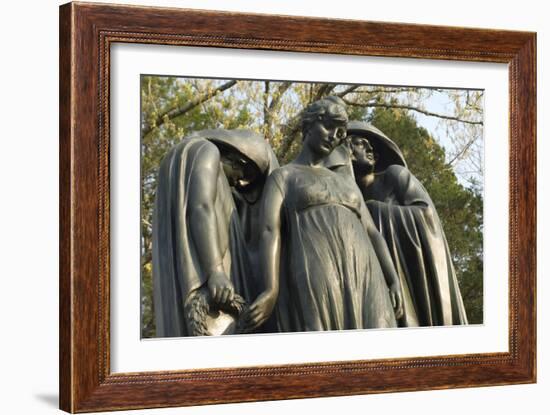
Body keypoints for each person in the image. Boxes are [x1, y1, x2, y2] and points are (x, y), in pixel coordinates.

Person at [242, 97, 403, 333]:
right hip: (317, 267)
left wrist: (392, 278)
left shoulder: (347, 183)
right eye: (328, 126)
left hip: (367, 272)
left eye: (339, 133)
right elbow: (269, 231)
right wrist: (271, 289)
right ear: (308, 125)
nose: (333, 136)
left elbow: (372, 233)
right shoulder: (284, 176)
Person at [152, 129, 277, 337]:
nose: (239, 183)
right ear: (238, 159)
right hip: (211, 289)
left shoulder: (177, 158)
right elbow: (201, 207)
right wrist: (216, 271)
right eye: (243, 175)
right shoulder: (207, 151)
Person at [347, 120, 468, 326]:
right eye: (360, 143)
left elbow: (427, 216)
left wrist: (376, 211)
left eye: (371, 147)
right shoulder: (346, 198)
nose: (369, 150)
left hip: (411, 275)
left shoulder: (395, 175)